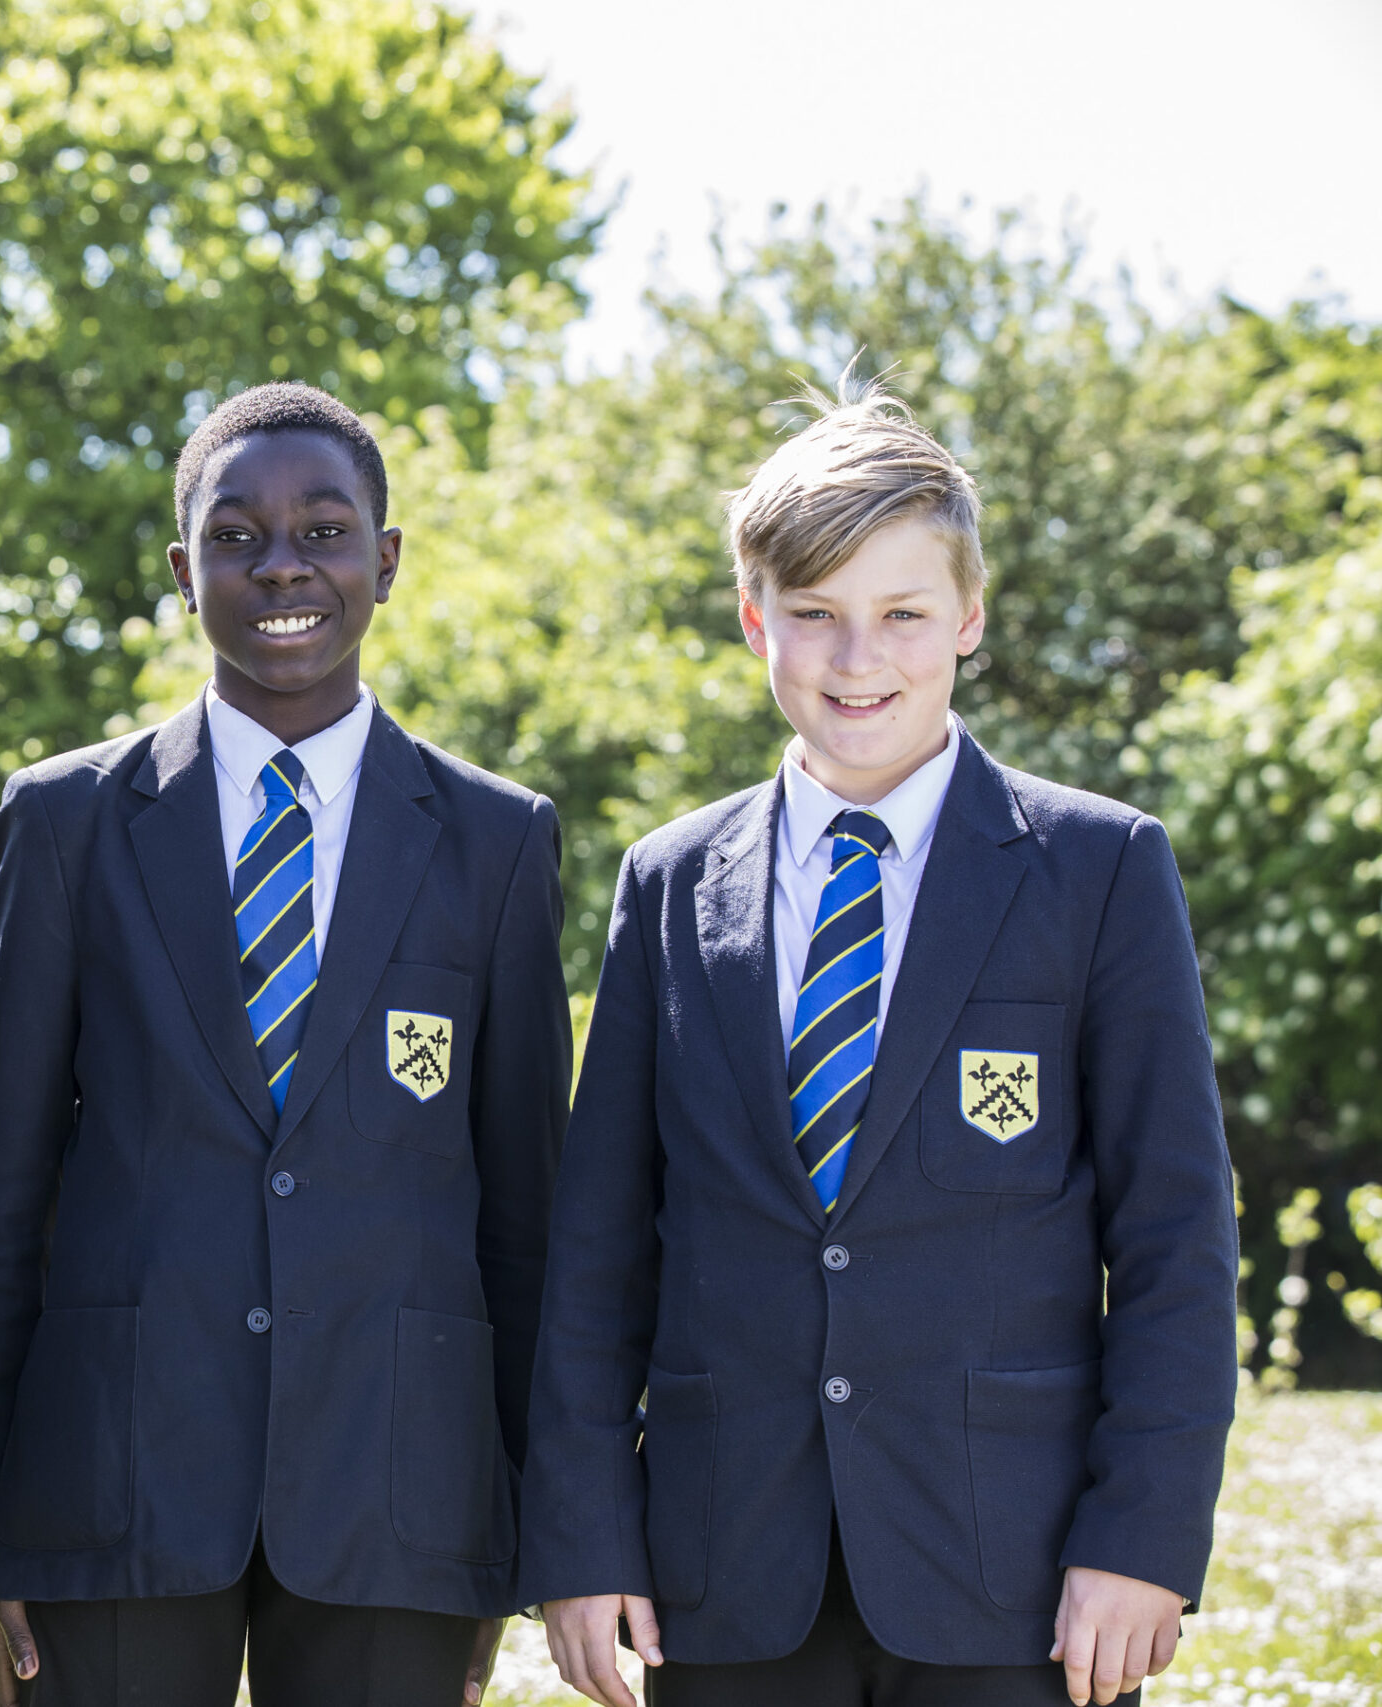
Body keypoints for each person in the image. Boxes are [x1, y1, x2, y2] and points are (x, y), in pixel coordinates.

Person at [526, 381, 1239, 1707]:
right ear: (756, 620)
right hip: (725, 1575)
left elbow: (1175, 1237)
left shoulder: (1097, 870)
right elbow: (600, 1247)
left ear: (968, 617)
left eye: (903, 613)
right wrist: (581, 1531)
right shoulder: (669, 884)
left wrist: (1143, 1537)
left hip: (1013, 1579)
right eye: (815, 615)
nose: (860, 659)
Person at [0, 382, 571, 1707]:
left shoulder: (497, 841)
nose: (282, 564)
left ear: (385, 561)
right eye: (237, 536)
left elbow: (526, 1219)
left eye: (325, 530)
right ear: (184, 570)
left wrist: (520, 1529)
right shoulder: (66, 824)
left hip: (402, 1500)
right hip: (111, 1486)